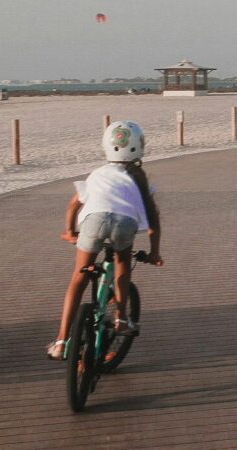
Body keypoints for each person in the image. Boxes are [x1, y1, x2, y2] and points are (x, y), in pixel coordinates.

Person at [47, 121, 163, 360]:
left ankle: (60, 342)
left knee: (78, 278)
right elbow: (154, 222)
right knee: (122, 264)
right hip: (124, 224)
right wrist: (154, 253)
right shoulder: (141, 181)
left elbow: (73, 205)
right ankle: (121, 317)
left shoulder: (97, 174)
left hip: (93, 222)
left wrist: (69, 231)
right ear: (139, 147)